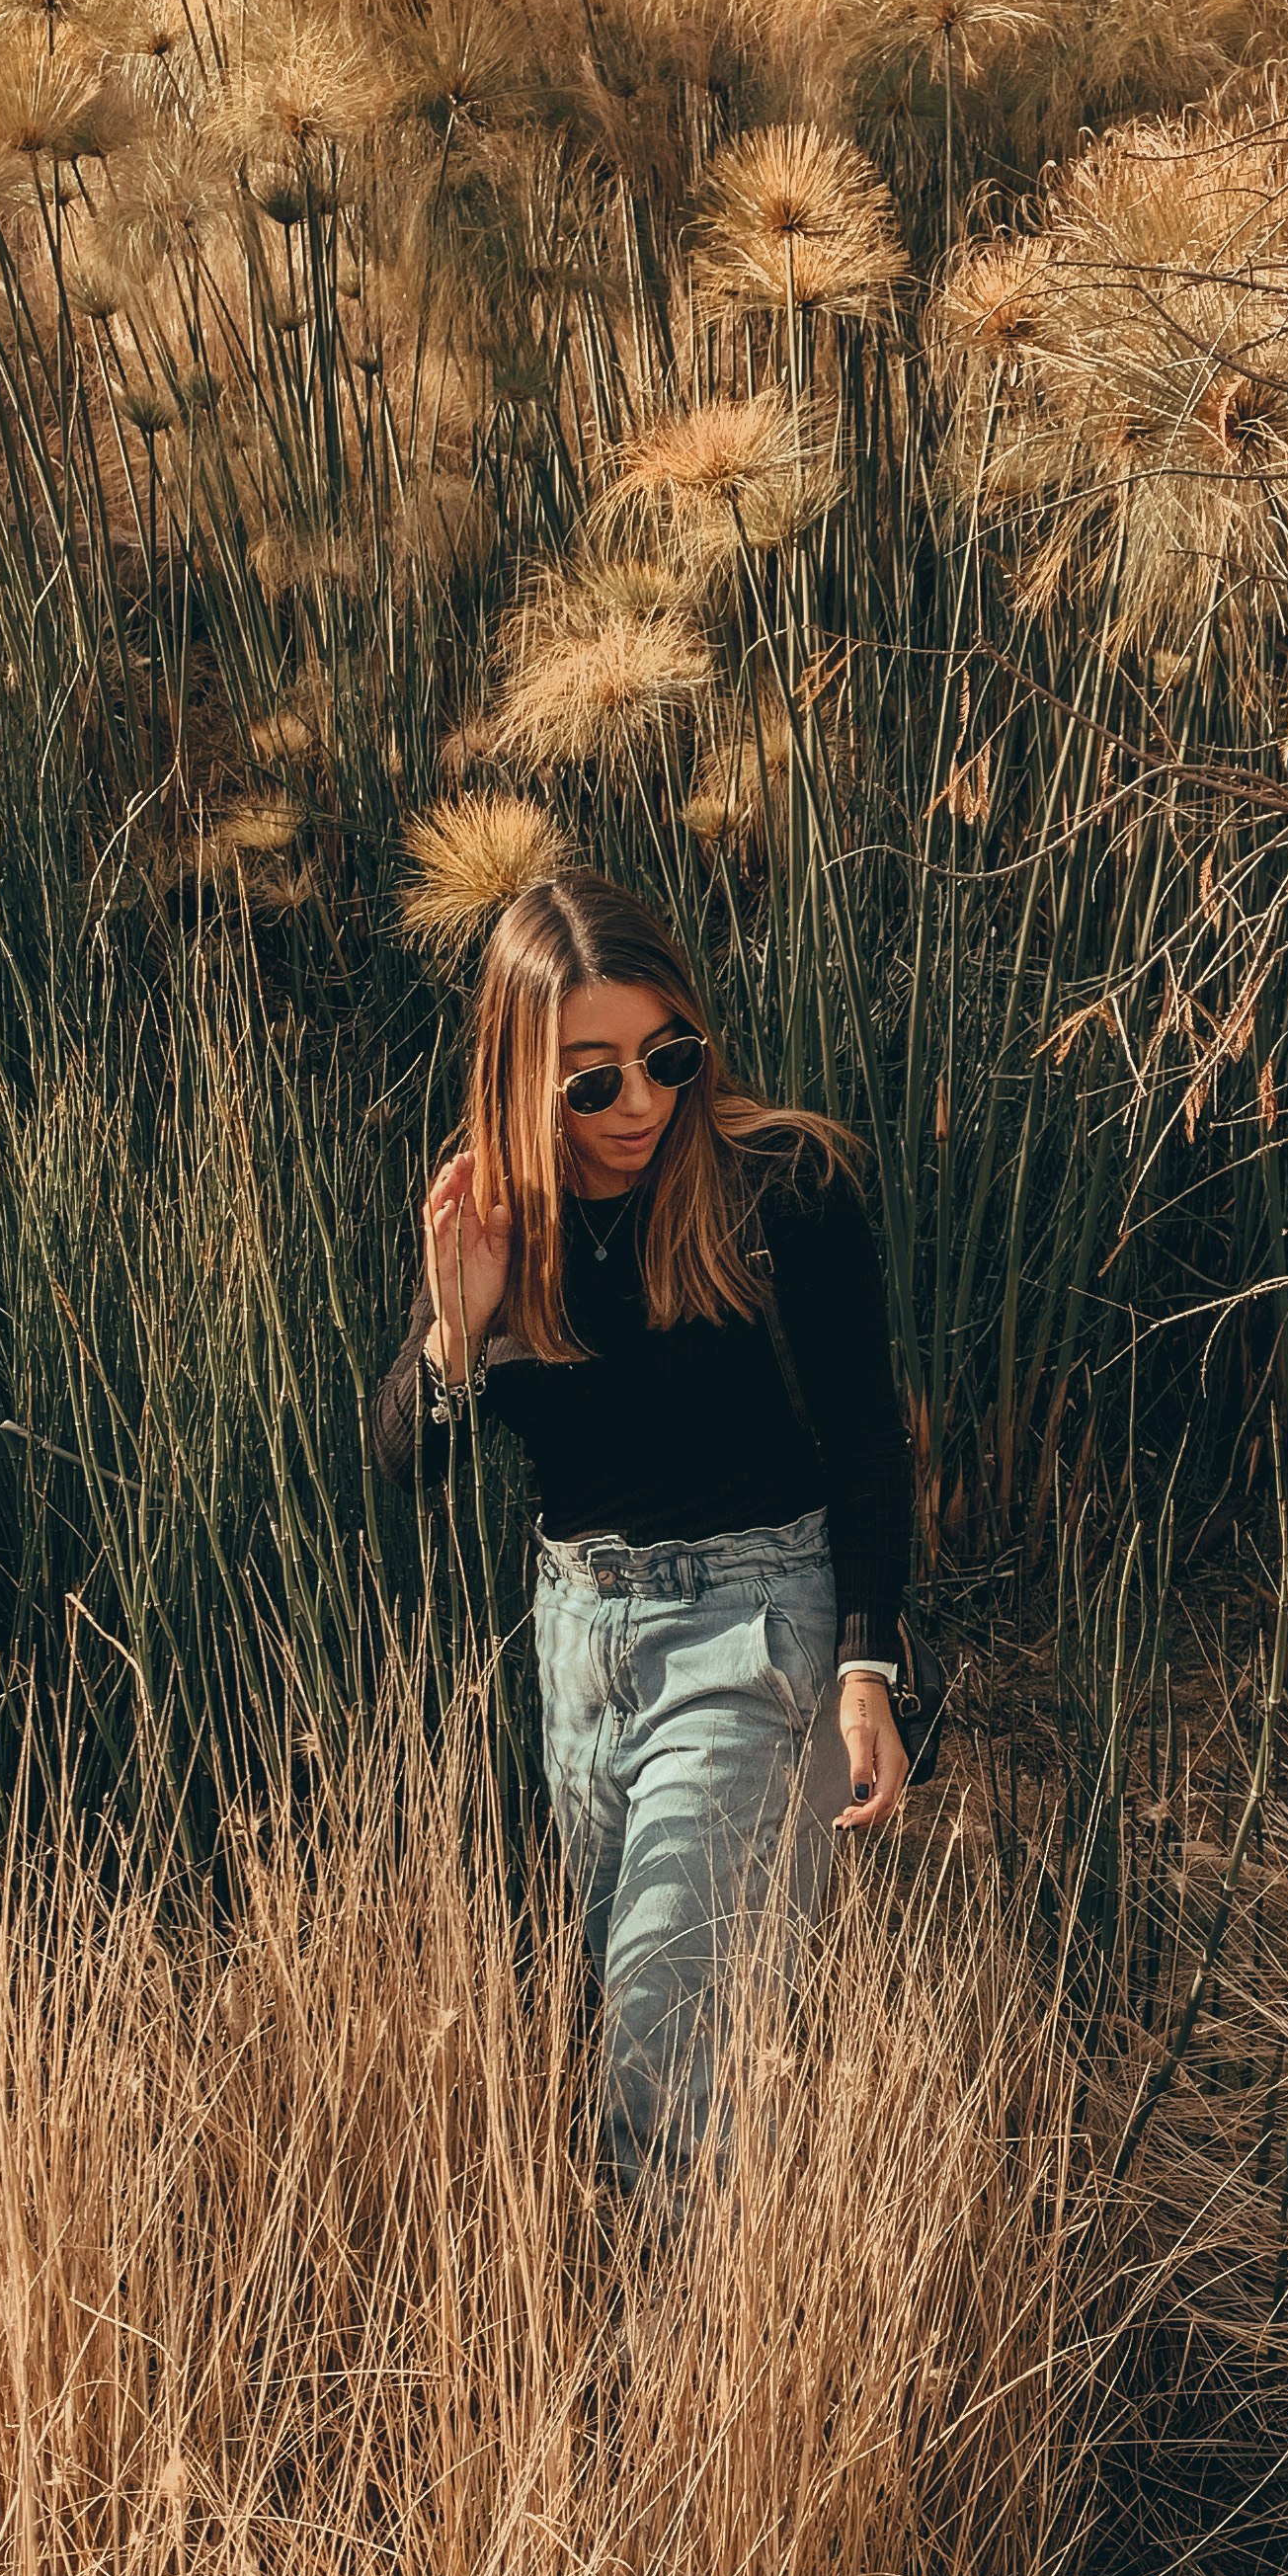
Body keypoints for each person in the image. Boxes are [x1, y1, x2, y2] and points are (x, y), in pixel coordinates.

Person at [367, 871, 912, 2177]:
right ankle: (728, 2306)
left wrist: (865, 1672)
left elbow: (867, 1443)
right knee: (640, 2018)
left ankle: (666, 2362)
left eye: (667, 1058)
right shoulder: (503, 1225)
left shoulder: (786, 1186)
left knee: (661, 2047)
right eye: (593, 1079)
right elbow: (407, 1463)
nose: (642, 1105)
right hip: (578, 1652)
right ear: (519, 1078)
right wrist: (462, 1324)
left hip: (756, 1636)